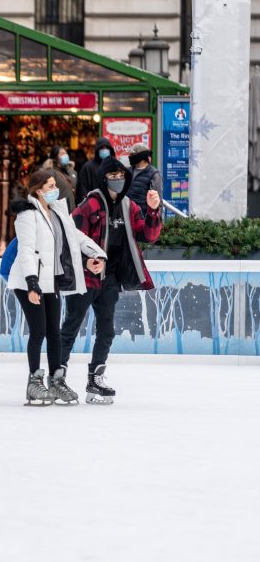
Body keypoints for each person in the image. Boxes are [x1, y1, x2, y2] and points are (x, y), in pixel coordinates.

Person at [60, 156, 163, 404]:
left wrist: (152, 209)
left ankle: (95, 379)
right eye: (112, 176)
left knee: (107, 330)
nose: (117, 180)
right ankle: (57, 376)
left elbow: (148, 235)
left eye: (121, 176)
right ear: (103, 178)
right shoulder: (91, 204)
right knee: (71, 327)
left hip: (110, 279)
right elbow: (70, 237)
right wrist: (86, 261)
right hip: (86, 277)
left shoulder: (129, 206)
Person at [9, 171, 106, 406]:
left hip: (51, 281)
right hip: (28, 282)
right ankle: (34, 383)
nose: (55, 190)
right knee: (38, 331)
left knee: (54, 333)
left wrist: (98, 253)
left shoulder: (57, 213)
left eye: (55, 185)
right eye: (50, 186)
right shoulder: (27, 215)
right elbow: (26, 250)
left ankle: (57, 380)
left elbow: (77, 237)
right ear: (38, 190)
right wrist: (32, 283)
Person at [75, 137, 115, 202]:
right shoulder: (88, 167)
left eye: (107, 148)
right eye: (102, 148)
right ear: (97, 150)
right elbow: (82, 189)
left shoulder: (114, 166)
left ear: (110, 150)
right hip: (93, 206)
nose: (104, 150)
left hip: (111, 205)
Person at [126, 143, 163, 212]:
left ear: (140, 156)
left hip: (143, 218)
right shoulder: (127, 171)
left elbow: (157, 202)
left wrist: (155, 220)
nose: (129, 157)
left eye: (132, 154)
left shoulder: (154, 174)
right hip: (127, 215)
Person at [42, 145, 77, 211]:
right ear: (55, 157)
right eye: (62, 154)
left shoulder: (72, 171)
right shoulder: (51, 172)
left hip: (73, 210)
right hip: (59, 210)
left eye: (65, 153)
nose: (65, 155)